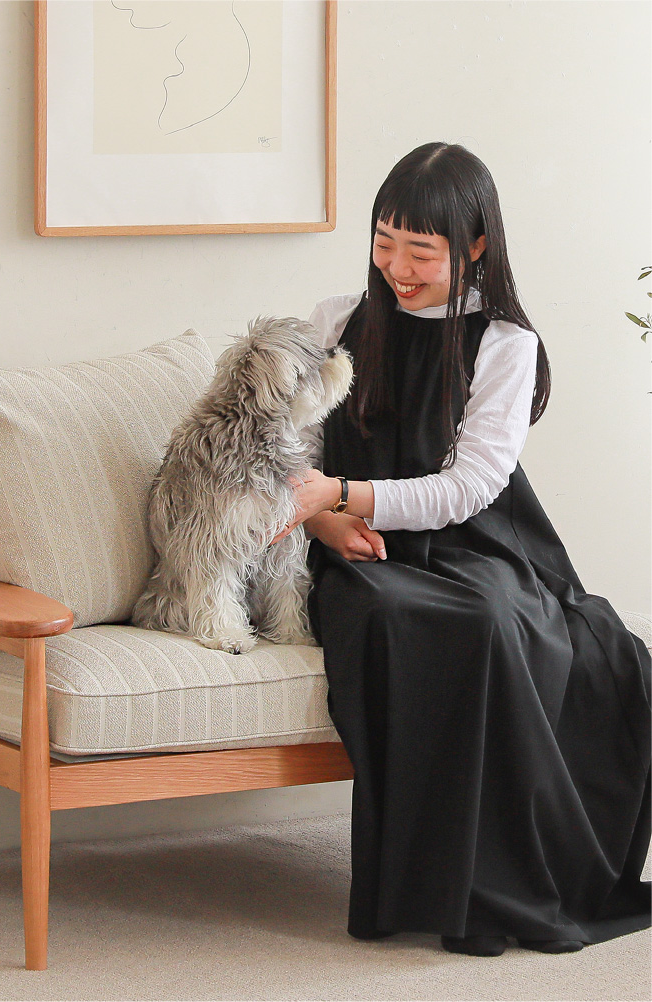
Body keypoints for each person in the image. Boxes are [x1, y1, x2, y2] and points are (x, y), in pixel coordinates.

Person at [272, 142, 651, 956]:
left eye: (420, 250)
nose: (396, 267)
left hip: (478, 543)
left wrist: (341, 495)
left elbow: (469, 487)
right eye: (384, 243)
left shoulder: (503, 343)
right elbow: (291, 454)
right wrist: (323, 521)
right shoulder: (334, 321)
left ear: (475, 245)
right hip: (362, 546)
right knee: (404, 620)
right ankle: (429, 889)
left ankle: (493, 891)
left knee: (507, 627)